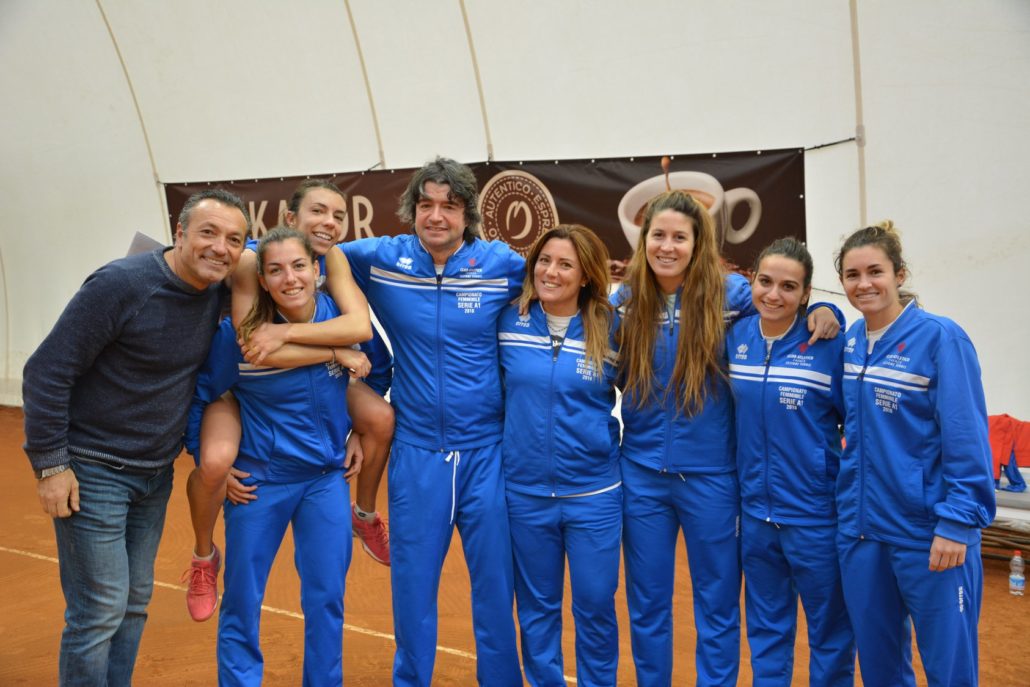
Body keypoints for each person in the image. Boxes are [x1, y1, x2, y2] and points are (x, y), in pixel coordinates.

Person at [22, 189, 249, 686]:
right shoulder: (121, 284)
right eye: (208, 233)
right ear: (179, 233)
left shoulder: (217, 292)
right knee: (99, 608)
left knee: (132, 604)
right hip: (91, 467)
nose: (220, 248)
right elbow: (46, 372)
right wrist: (51, 464)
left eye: (234, 239)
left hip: (153, 474)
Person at [615, 190, 841, 686]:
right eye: (659, 235)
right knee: (647, 602)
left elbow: (781, 308)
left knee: (717, 603)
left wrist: (828, 313)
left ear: (698, 244)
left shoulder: (732, 296)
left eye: (680, 236)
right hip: (642, 478)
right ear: (643, 239)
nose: (667, 246)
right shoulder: (624, 301)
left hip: (713, 479)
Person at [342, 157, 523, 686]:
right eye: (426, 205)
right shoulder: (381, 259)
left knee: (495, 588)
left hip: (487, 453)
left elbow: (574, 279)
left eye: (450, 205)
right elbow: (308, 253)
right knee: (413, 589)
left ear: (468, 213)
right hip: (417, 453)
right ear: (412, 210)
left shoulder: (503, 265)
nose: (436, 216)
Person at [183, 179, 394, 622]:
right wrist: (332, 350)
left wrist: (352, 421)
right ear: (290, 219)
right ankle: (204, 555)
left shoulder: (330, 259)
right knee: (217, 461)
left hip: (314, 400)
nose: (329, 223)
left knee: (379, 417)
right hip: (243, 384)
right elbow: (252, 346)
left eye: (339, 216)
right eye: (318, 212)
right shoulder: (250, 261)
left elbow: (362, 335)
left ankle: (365, 512)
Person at [185, 227, 366, 686]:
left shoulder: (339, 317)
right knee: (243, 599)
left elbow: (375, 371)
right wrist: (210, 467)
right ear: (261, 281)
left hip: (325, 481)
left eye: (299, 266)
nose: (290, 278)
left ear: (316, 270)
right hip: (258, 485)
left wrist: (358, 433)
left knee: (327, 598)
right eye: (276, 270)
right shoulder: (238, 335)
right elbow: (205, 395)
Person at [833, 222, 994, 687]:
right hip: (862, 535)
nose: (864, 284)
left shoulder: (942, 338)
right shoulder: (848, 343)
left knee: (949, 670)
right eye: (852, 274)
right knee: (880, 669)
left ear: (900, 273)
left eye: (875, 271)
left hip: (929, 537)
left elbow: (966, 437)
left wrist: (958, 522)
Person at [726, 237, 854, 686]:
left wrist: (832, 314)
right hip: (755, 516)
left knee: (831, 631)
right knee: (766, 628)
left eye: (788, 286)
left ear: (806, 294)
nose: (773, 295)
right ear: (752, 280)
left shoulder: (828, 344)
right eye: (765, 281)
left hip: (816, 517)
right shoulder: (736, 336)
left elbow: (855, 429)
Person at [498, 225, 622, 685]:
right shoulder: (508, 319)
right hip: (525, 494)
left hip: (594, 495)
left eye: (565, 264)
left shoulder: (613, 328)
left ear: (586, 275)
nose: (551, 272)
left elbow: (650, 400)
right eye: (544, 261)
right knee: (537, 607)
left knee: (594, 604)